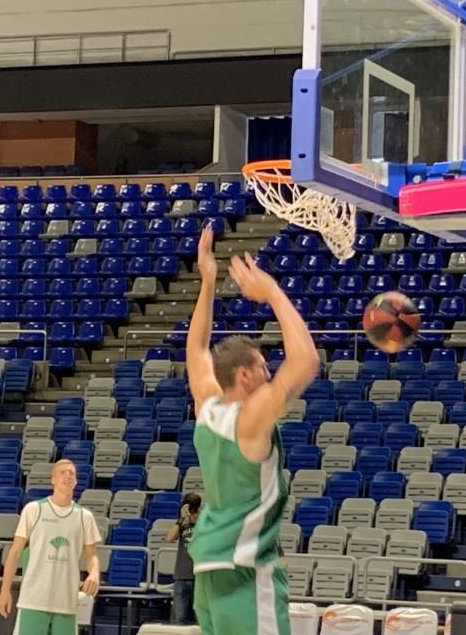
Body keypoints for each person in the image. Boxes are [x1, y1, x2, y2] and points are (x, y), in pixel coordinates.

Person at [186, 226, 319, 635]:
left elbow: (196, 349)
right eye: (263, 366)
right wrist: (274, 293)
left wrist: (208, 281)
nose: (269, 372)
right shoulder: (251, 418)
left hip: (208, 572)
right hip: (244, 572)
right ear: (243, 376)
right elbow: (306, 363)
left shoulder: (207, 407)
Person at [0, 459, 103, 635]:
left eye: (72, 473)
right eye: (62, 472)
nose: (67, 476)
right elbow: (15, 553)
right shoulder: (34, 510)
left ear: (76, 481)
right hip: (33, 601)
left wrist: (94, 573)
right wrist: (5, 590)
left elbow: (92, 555)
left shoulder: (85, 517)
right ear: (52, 479)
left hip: (66, 604)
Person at [166, 492, 201, 625]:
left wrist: (196, 519)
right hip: (181, 575)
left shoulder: (204, 523)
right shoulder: (182, 524)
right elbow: (169, 538)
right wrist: (180, 520)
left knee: (200, 619)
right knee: (179, 618)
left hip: (198, 576)